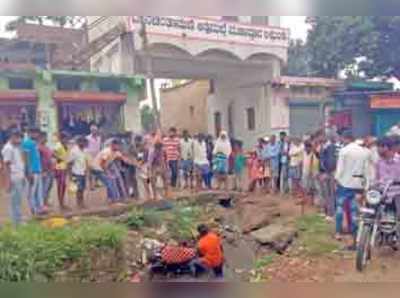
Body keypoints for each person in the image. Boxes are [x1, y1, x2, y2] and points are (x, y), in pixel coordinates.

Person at [335, 132, 369, 247]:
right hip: (358, 185)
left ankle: (338, 232)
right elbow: (366, 170)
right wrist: (366, 185)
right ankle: (355, 237)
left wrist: (337, 179)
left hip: (344, 184)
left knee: (340, 208)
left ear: (346, 138)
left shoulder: (344, 151)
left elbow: (340, 169)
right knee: (355, 212)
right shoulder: (364, 152)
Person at [2, 130, 25, 225]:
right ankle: (15, 222)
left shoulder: (15, 147)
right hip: (13, 177)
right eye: (18, 137)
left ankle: (18, 219)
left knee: (18, 200)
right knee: (14, 201)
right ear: (12, 136)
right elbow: (6, 165)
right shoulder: (8, 148)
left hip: (18, 176)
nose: (20, 140)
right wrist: (8, 181)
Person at [22, 127, 44, 216]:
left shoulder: (35, 143)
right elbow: (26, 158)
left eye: (37, 133)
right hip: (32, 171)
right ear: (30, 133)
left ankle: (39, 209)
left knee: (38, 192)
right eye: (34, 133)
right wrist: (28, 171)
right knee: (31, 192)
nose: (36, 135)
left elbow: (37, 157)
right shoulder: (26, 143)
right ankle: (33, 210)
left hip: (38, 170)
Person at [376, 137, 400, 219]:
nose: (377, 149)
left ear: (386, 147)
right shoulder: (378, 162)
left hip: (397, 196)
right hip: (382, 196)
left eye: (379, 147)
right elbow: (377, 178)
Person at [319, 134, 339, 219]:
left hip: (330, 173)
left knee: (330, 193)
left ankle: (331, 213)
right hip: (326, 172)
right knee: (326, 193)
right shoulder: (324, 147)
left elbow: (331, 162)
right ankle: (327, 211)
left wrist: (327, 173)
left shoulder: (331, 147)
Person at [68, 136, 89, 209]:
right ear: (79, 142)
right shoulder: (74, 151)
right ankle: (79, 203)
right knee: (78, 189)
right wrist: (70, 176)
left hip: (82, 172)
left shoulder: (85, 150)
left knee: (82, 188)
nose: (85, 144)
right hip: (76, 172)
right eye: (83, 142)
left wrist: (86, 171)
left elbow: (85, 161)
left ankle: (82, 202)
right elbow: (70, 163)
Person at [53, 132, 70, 211]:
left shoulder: (66, 146)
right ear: (61, 138)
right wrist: (59, 158)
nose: (66, 140)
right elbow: (53, 154)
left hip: (64, 166)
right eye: (65, 138)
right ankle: (60, 203)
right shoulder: (58, 145)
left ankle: (62, 202)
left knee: (63, 185)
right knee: (60, 184)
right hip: (59, 167)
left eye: (66, 138)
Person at [38, 132, 54, 208]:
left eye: (46, 137)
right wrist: (42, 170)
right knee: (44, 188)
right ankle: (43, 204)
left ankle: (46, 201)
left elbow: (51, 156)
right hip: (44, 171)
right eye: (44, 137)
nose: (45, 139)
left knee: (49, 187)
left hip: (50, 169)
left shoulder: (47, 147)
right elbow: (39, 160)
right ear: (40, 138)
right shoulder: (38, 147)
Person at [86, 124, 102, 191]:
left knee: (98, 170)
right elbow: (85, 147)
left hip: (97, 156)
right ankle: (91, 186)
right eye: (93, 130)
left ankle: (96, 183)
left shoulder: (99, 138)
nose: (94, 131)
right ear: (91, 131)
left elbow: (100, 147)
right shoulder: (87, 138)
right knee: (90, 171)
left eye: (95, 130)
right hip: (90, 156)